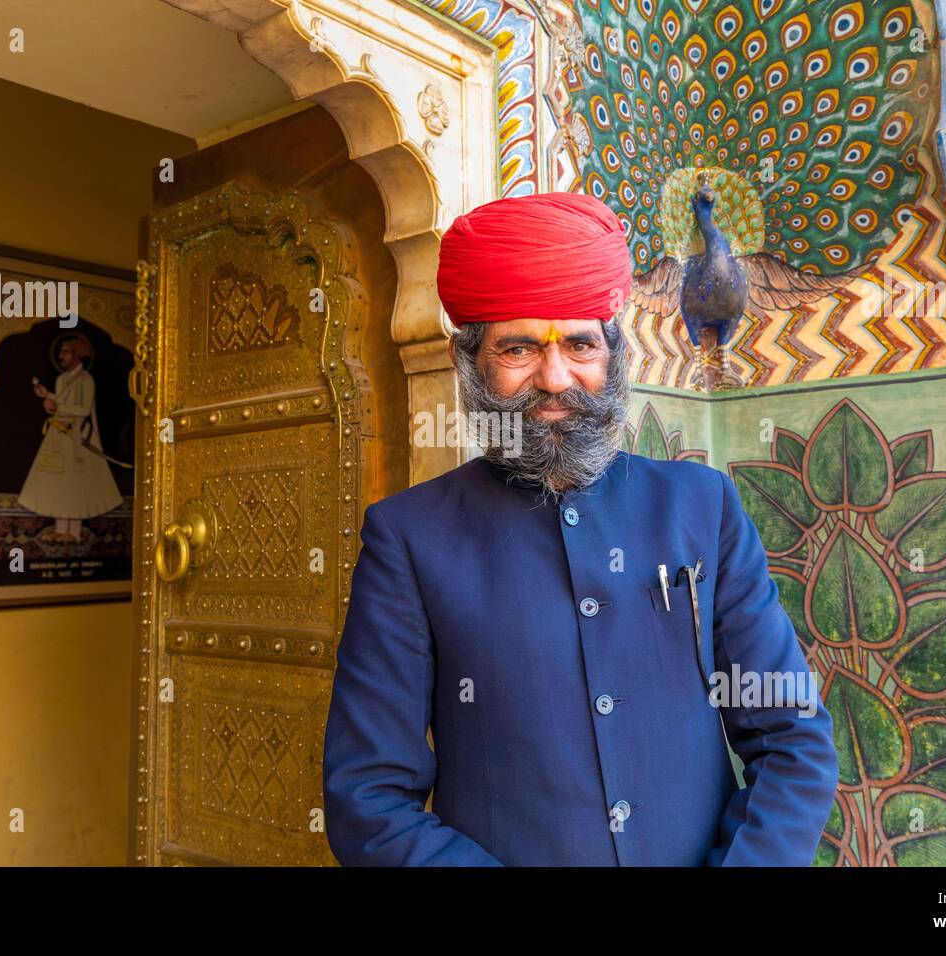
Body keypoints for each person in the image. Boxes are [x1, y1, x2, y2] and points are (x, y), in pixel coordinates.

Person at [322, 192, 838, 866]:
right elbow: (368, 800)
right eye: (518, 349)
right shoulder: (409, 541)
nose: (556, 377)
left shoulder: (701, 508)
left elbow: (791, 736)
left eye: (579, 343)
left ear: (613, 352)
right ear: (469, 359)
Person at [17, 332, 123, 542]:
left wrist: (58, 405)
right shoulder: (61, 379)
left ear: (78, 354)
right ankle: (60, 529)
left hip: (77, 437)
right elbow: (60, 402)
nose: (61, 356)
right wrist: (47, 395)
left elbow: (83, 409)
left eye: (65, 351)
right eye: (61, 352)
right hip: (59, 434)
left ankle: (73, 532)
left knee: (75, 484)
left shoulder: (86, 380)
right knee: (59, 483)